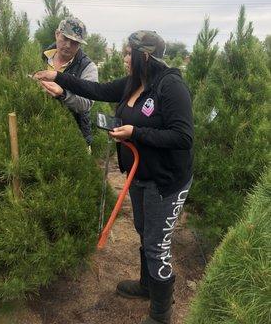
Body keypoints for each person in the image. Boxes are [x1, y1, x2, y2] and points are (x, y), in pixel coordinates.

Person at [34, 30, 193, 324]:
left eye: (127, 53)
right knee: (144, 231)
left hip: (166, 180)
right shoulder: (134, 83)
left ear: (144, 56)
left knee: (158, 244)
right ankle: (147, 286)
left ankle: (161, 314)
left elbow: (183, 137)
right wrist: (58, 79)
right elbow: (96, 90)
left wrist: (136, 133)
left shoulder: (170, 87)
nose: (123, 59)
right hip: (139, 174)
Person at [43, 17, 98, 149]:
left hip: (74, 137)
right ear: (57, 34)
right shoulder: (42, 58)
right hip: (40, 134)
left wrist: (63, 94)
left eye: (74, 42)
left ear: (80, 44)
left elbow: (86, 104)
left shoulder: (87, 67)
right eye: (65, 38)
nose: (68, 45)